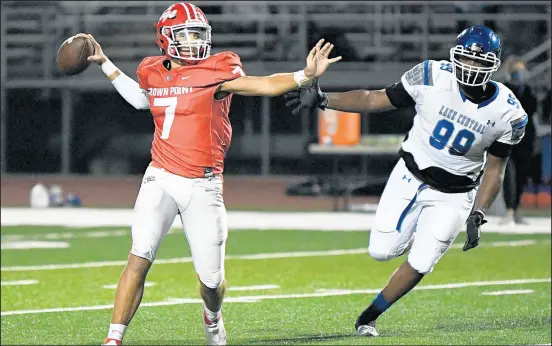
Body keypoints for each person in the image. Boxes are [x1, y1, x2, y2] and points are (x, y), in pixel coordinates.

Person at [74, 2, 341, 345]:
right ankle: (113, 339)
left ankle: (212, 316)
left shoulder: (217, 69)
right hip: (161, 177)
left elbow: (262, 85)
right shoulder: (151, 69)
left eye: (198, 35)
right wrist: (106, 63)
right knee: (139, 256)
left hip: (203, 184)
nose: (193, 43)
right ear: (166, 38)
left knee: (212, 284)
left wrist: (303, 76)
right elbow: (144, 100)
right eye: (185, 36)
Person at [284, 25, 528, 336]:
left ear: (493, 66)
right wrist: (323, 99)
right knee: (381, 251)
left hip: (455, 194)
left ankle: (369, 316)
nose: (470, 68)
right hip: (409, 175)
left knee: (423, 259)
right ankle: (421, 231)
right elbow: (374, 99)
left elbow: (496, 168)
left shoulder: (509, 113)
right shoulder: (431, 75)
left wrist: (479, 212)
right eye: (466, 60)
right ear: (454, 57)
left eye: (479, 63)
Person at [500, 56, 537, 225]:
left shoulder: (528, 90)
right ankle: (508, 210)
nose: (520, 75)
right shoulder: (504, 90)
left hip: (526, 138)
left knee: (522, 175)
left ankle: (515, 210)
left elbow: (532, 110)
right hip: (508, 136)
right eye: (517, 72)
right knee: (509, 174)